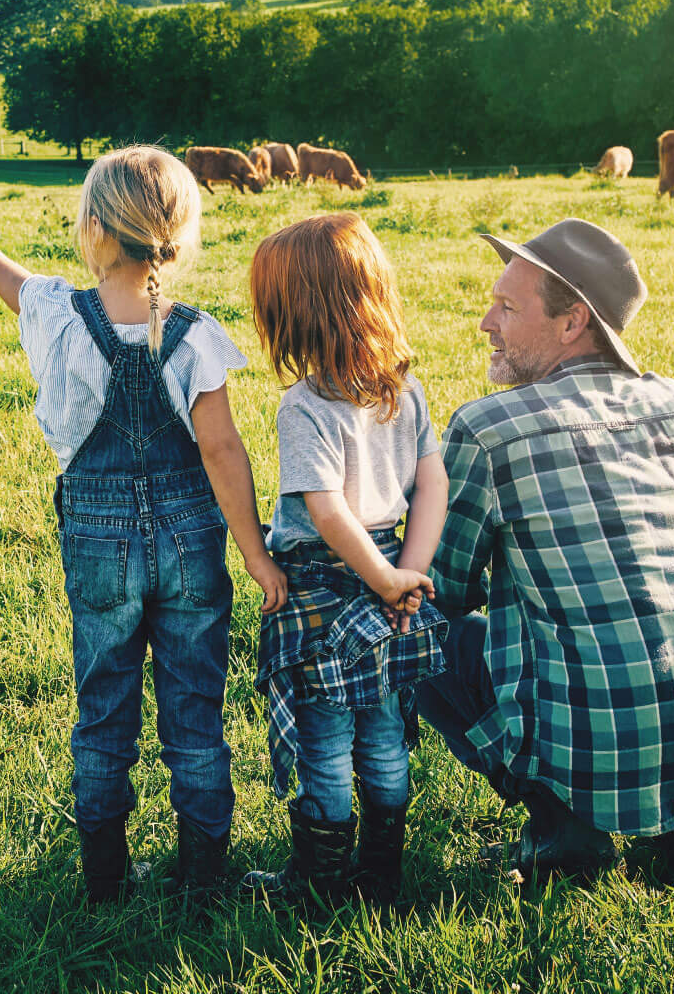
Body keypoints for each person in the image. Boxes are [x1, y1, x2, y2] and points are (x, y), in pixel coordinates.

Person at [0, 146, 288, 904]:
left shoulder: (54, 311)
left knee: (104, 708)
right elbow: (221, 449)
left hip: (98, 540)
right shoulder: (196, 332)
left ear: (95, 227)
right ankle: (204, 876)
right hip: (190, 542)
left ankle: (106, 878)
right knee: (195, 716)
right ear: (178, 231)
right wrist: (258, 557)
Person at [418, 218, 674, 881]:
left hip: (599, 755)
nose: (485, 324)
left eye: (507, 307)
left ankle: (563, 824)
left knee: (406, 622)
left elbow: (442, 589)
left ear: (572, 321)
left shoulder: (491, 427)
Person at [239, 213, 450, 904]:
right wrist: (404, 575)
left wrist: (386, 578)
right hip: (391, 575)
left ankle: (319, 882)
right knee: (385, 734)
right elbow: (431, 484)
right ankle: (381, 875)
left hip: (326, 589)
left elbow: (326, 513)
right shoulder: (405, 388)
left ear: (293, 316)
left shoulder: (304, 406)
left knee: (325, 743)